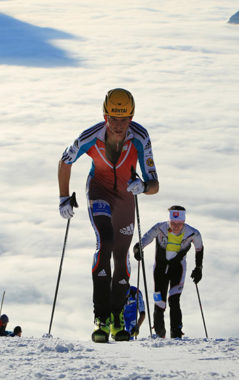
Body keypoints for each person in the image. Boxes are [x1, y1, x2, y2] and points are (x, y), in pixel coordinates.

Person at [58, 88, 159, 342]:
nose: (117, 125)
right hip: (99, 191)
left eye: (124, 119)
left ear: (132, 117)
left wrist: (143, 187)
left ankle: (116, 317)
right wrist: (63, 196)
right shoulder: (91, 136)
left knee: (122, 255)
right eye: (113, 118)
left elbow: (155, 183)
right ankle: (101, 318)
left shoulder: (140, 137)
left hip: (125, 197)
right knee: (105, 242)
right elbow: (65, 160)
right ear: (105, 115)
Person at [133, 205, 204, 338]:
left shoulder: (193, 233)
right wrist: (138, 249)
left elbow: (199, 248)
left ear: (184, 221)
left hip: (178, 269)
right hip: (160, 270)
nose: (176, 226)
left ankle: (176, 334)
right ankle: (159, 334)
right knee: (159, 301)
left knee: (174, 300)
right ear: (169, 220)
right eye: (173, 223)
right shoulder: (160, 228)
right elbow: (144, 240)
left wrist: (198, 268)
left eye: (179, 223)